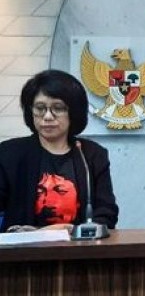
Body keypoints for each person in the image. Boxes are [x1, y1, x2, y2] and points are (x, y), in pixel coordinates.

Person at [0, 69, 119, 232]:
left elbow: (107, 214)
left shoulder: (91, 155)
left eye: (58, 108)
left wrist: (71, 230)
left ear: (73, 112)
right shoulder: (10, 154)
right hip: (24, 246)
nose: (47, 116)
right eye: (40, 108)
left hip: (78, 246)